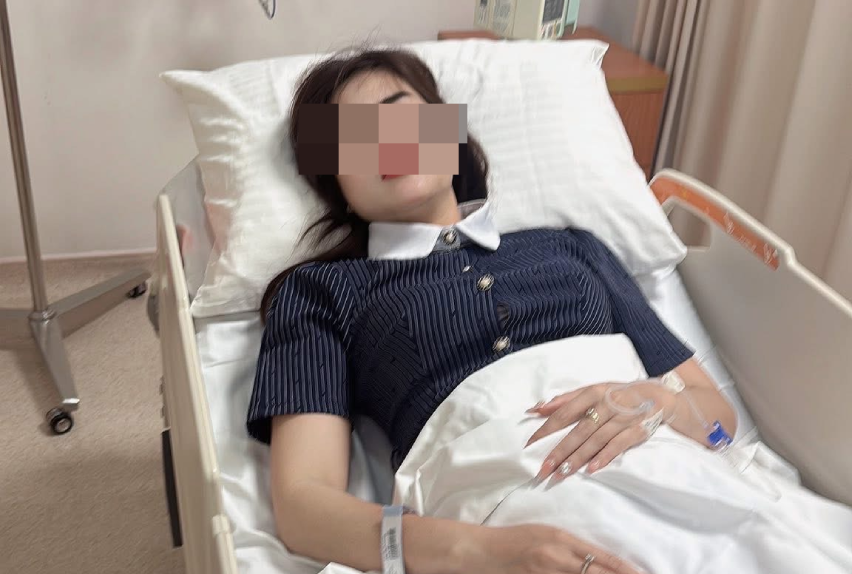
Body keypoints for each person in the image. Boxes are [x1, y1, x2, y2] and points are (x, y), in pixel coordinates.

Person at [246, 47, 737, 574]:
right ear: (336, 184)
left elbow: (720, 423)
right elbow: (304, 510)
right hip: (514, 516)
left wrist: (657, 402)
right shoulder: (322, 293)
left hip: (684, 480)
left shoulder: (573, 248)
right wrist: (481, 550)